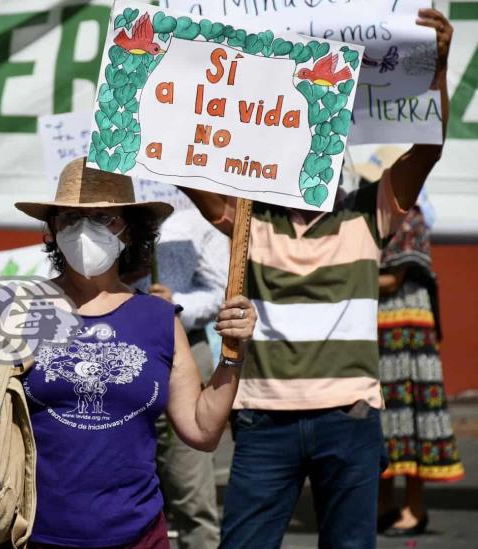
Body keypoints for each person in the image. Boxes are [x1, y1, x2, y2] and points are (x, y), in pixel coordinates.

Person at [177, 8, 453, 548]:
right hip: (262, 422)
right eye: (296, 136)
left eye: (323, 137)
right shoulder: (246, 223)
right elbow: (191, 167)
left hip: (348, 421)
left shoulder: (370, 212)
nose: (311, 150)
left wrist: (437, 67)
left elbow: (429, 146)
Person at [0, 157, 257, 548]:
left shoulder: (159, 318)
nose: (84, 229)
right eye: (69, 217)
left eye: (103, 218)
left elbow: (202, 429)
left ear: (130, 231)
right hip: (33, 536)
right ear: (51, 231)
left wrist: (232, 355)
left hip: (138, 537)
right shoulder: (16, 309)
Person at [349, 150, 466, 536]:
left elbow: (394, 280)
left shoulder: (410, 219)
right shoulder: (368, 221)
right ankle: (383, 503)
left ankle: (415, 507)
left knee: (411, 418)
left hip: (407, 331)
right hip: (378, 330)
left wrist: (341, 277)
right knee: (381, 416)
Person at [132, 206, 229, 548]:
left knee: (190, 490)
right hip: (120, 351)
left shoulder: (201, 217)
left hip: (181, 350)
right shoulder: (111, 216)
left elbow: (220, 294)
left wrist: (176, 302)